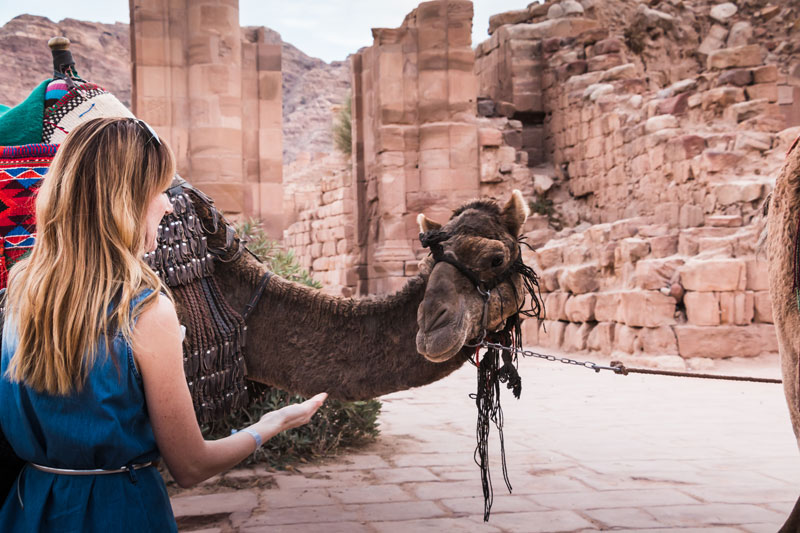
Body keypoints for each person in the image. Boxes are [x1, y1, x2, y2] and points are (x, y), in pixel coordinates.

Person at [0, 117, 327, 531]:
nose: (168, 205)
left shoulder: (21, 290)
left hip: (30, 509)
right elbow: (191, 466)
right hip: (117, 512)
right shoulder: (145, 311)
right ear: (128, 200)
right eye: (159, 191)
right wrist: (272, 424)